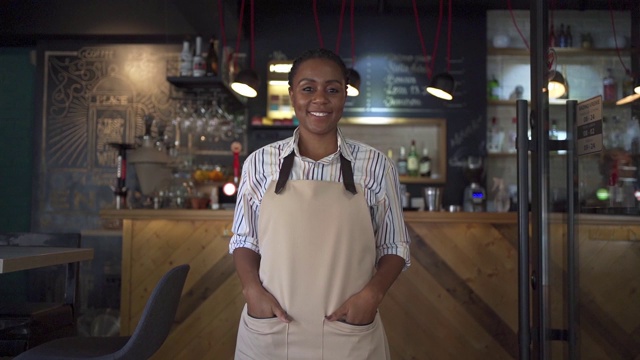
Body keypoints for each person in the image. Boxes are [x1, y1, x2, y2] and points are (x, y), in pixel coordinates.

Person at [229, 48, 411, 359]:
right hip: (272, 330)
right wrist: (251, 291)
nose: (320, 99)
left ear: (344, 95)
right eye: (308, 88)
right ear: (291, 95)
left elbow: (394, 246)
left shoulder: (377, 166)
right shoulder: (260, 163)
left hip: (349, 331)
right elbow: (245, 240)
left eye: (332, 89)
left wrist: (372, 296)